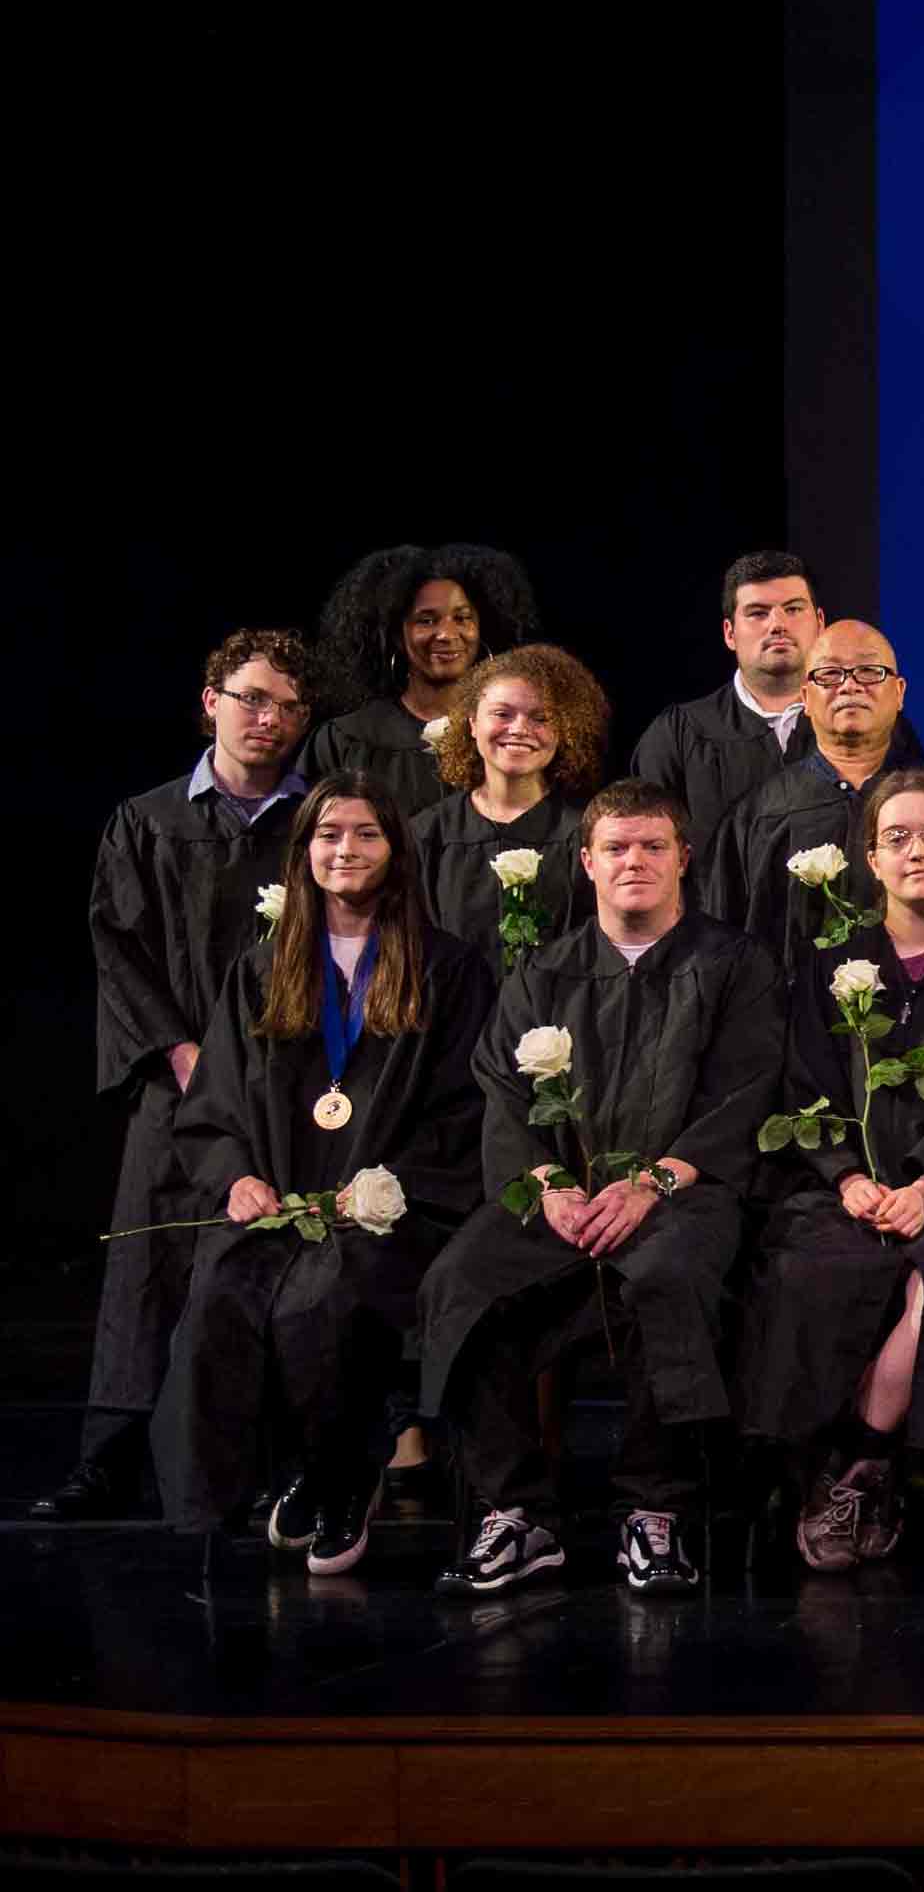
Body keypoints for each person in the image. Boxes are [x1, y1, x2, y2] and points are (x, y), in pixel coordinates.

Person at [419, 780, 787, 1595]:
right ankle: (516, 1513)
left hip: (683, 1191)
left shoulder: (733, 964)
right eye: (617, 848)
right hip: (562, 1196)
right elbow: (502, 1091)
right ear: (585, 862)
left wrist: (653, 1183)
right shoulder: (545, 971)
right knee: (460, 1281)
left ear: (683, 857)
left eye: (654, 846)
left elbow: (746, 1093)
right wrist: (550, 1183)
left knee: (666, 1275)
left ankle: (654, 1512)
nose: (635, 862)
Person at [152, 776, 495, 1572]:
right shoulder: (265, 969)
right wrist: (235, 1178)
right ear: (304, 853)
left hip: (393, 1211)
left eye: (366, 834)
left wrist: (388, 1187)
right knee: (220, 1300)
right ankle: (263, 1484)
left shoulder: (446, 970)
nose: (346, 850)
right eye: (329, 834)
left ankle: (344, 1474)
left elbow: (464, 1109)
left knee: (328, 1299)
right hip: (279, 1203)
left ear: (395, 850)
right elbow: (217, 1104)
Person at [37, 628, 319, 1522]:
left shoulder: (321, 823)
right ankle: (112, 1456)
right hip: (178, 1075)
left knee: (270, 1258)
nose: (267, 718)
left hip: (289, 1083)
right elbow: (118, 950)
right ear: (211, 703)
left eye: (286, 705)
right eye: (250, 698)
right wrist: (184, 1053)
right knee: (152, 1255)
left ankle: (267, 1461)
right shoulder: (149, 820)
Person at [736, 768, 924, 1572]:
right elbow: (802, 1082)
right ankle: (828, 1470)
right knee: (810, 1270)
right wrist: (847, 1177)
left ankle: (859, 1465)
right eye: (897, 837)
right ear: (869, 858)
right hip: (845, 1192)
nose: (917, 851)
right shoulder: (828, 963)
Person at [702, 620, 924, 984]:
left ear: (899, 693)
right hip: (791, 1031)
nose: (850, 685)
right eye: (830, 674)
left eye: (869, 672)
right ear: (804, 697)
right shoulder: (757, 816)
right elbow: (722, 941)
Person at [413, 644, 612, 974]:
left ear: (564, 731)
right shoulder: (429, 834)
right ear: (472, 723)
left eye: (541, 718)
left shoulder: (584, 836)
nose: (520, 729)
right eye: (502, 714)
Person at [299, 545, 541, 815]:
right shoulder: (345, 740)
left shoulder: (509, 735)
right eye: (426, 621)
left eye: (462, 618)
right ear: (395, 635)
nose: (447, 634)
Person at [629, 551, 827, 851]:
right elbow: (646, 848)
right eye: (758, 613)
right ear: (730, 633)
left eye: (794, 609)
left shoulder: (866, 723)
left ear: (820, 623)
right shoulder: (679, 734)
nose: (778, 624)